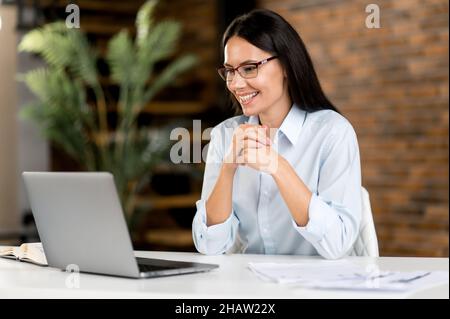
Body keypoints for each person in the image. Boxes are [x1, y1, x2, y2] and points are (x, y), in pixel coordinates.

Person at [192, 9, 362, 259]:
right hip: (252, 290)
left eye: (249, 68)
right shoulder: (226, 136)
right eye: (230, 71)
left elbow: (338, 243)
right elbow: (210, 247)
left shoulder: (333, 133)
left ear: (285, 65)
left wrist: (277, 166)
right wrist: (228, 168)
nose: (236, 84)